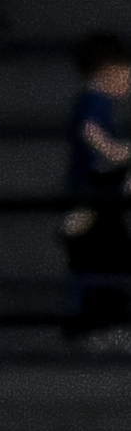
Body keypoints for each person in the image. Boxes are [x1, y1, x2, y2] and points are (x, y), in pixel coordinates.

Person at [64, 31, 131, 334]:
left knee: (105, 262)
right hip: (89, 198)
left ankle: (98, 325)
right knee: (95, 263)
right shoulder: (93, 101)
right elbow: (93, 137)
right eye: (126, 77)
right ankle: (87, 328)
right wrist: (120, 152)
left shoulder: (97, 102)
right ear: (108, 71)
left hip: (96, 195)